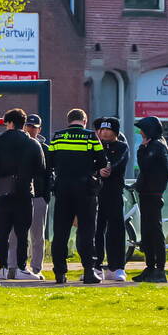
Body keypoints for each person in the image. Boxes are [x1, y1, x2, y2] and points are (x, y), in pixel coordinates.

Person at [49, 108, 107, 284]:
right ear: (85, 121)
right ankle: (89, 271)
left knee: (60, 232)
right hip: (85, 189)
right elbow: (102, 161)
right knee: (87, 231)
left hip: (63, 188)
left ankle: (60, 273)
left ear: (68, 120)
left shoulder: (58, 137)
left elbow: (50, 161)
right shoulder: (90, 137)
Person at [0, 108, 46, 280]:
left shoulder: (0, 143)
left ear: (11, 123)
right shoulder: (33, 144)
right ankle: (21, 267)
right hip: (24, 192)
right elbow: (41, 168)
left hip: (4, 192)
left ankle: (3, 268)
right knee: (22, 233)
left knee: (3, 233)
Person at [7, 113, 50, 278]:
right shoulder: (15, 146)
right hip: (19, 195)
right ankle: (12, 267)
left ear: (39, 129)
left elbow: (47, 173)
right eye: (28, 126)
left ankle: (36, 268)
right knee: (14, 234)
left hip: (38, 195)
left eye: (34, 126)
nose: (31, 129)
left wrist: (46, 195)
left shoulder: (45, 148)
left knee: (37, 235)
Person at [133, 116, 168, 283]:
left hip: (153, 194)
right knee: (147, 231)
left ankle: (159, 269)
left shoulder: (156, 146)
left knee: (154, 231)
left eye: (142, 129)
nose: (140, 132)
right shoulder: (155, 145)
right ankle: (150, 267)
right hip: (148, 193)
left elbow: (145, 166)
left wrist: (141, 149)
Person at [93, 117, 129, 282]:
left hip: (114, 193)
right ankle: (95, 266)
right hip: (95, 193)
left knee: (116, 230)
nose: (104, 132)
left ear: (115, 131)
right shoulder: (94, 145)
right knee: (96, 230)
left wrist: (108, 168)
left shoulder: (122, 146)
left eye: (108, 129)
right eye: (101, 129)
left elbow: (117, 163)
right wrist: (97, 171)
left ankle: (117, 267)